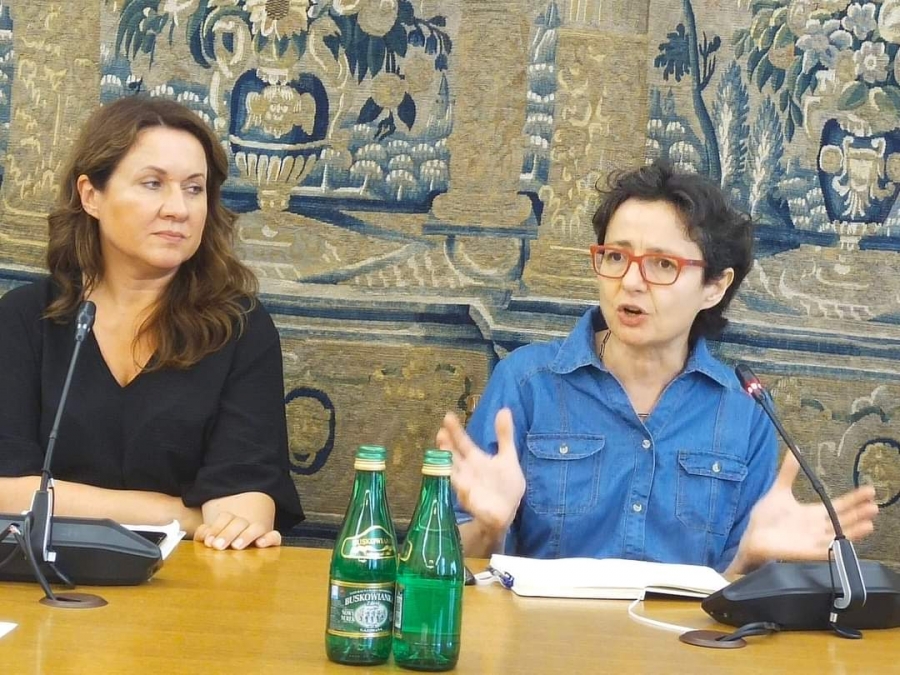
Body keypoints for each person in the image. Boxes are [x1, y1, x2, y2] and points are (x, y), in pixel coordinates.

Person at [437, 161, 878, 574]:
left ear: (714, 287)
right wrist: (489, 527)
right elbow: (451, 565)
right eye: (616, 256)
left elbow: (732, 600)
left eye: (663, 264)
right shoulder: (526, 383)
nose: (630, 282)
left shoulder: (745, 411)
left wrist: (749, 558)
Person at [0, 96, 304, 550]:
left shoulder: (239, 327)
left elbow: (245, 512)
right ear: (91, 195)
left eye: (194, 189)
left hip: (189, 581)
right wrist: (180, 514)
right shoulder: (24, 318)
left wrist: (64, 501)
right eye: (152, 183)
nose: (178, 209)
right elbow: (6, 494)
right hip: (44, 573)